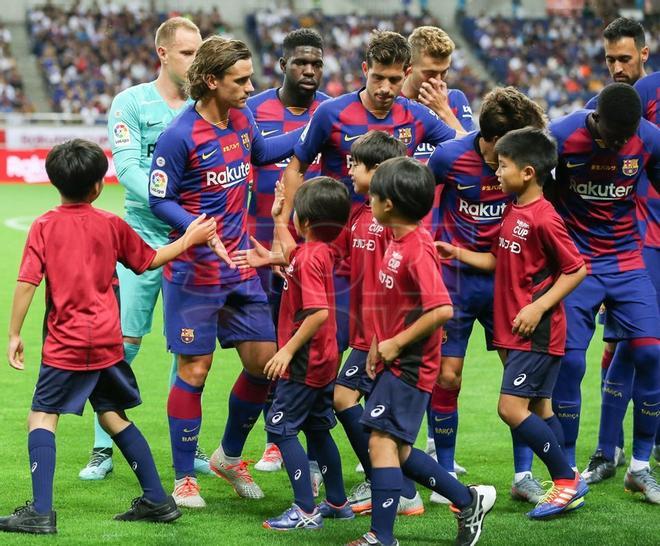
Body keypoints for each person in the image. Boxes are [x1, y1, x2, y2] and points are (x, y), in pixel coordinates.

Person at [1, 139, 217, 534]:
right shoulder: (112, 224)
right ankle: (157, 499)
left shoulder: (44, 226)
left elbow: (27, 282)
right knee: (113, 413)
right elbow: (149, 260)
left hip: (65, 342)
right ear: (100, 185)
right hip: (106, 340)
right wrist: (188, 239)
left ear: (53, 181)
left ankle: (40, 513)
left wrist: (14, 333)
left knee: (42, 415)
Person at [148, 36, 303, 509]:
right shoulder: (179, 135)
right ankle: (182, 478)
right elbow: (159, 198)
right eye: (240, 80)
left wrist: (315, 129)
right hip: (194, 273)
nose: (250, 86)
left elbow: (261, 152)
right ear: (211, 81)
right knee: (195, 369)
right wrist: (194, 228)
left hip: (240, 267)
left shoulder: (242, 118)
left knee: (264, 363)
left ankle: (228, 456)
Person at [79, 17, 211, 481]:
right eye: (187, 53)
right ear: (163, 54)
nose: (196, 62)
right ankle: (102, 447)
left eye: (199, 52)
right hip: (142, 240)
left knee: (189, 351)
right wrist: (174, 211)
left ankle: (187, 446)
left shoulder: (206, 104)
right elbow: (130, 168)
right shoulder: (131, 102)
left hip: (194, 244)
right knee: (123, 346)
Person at [437, 127, 589, 519]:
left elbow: (576, 270)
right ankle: (570, 479)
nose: (496, 172)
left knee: (510, 408)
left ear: (527, 172)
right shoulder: (513, 209)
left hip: (534, 331)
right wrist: (455, 251)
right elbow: (497, 262)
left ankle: (565, 483)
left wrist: (538, 308)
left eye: (502, 166)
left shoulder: (544, 217)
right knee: (540, 407)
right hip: (516, 327)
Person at [278, 30, 458, 360]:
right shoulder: (331, 113)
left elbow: (466, 149)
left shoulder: (416, 116)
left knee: (383, 354)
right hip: (338, 253)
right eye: (377, 77)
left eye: (393, 79)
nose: (385, 88)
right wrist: (285, 231)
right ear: (364, 69)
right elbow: (296, 168)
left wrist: (445, 111)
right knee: (326, 351)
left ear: (406, 74)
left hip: (393, 258)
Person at [347, 157, 496, 546]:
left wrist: (396, 343)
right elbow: (390, 300)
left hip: (412, 364)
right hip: (392, 358)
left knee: (380, 442)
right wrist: (378, 343)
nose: (370, 200)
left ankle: (382, 536)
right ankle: (468, 500)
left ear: (388, 203)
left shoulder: (416, 248)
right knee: (397, 448)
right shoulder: (394, 240)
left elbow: (442, 308)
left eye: (375, 194)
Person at [427, 87, 547, 504]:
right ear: (491, 139)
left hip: (508, 283)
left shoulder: (524, 164)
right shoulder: (448, 157)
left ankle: (524, 474)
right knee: (447, 377)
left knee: (519, 378)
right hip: (455, 283)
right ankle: (443, 472)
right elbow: (422, 202)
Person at [549, 83, 660, 504]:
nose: (616, 145)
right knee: (571, 363)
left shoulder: (647, 137)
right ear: (595, 119)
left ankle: (640, 468)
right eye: (611, 137)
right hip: (578, 263)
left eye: (623, 138)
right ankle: (567, 474)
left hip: (627, 258)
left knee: (651, 353)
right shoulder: (561, 135)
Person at [233, 177, 352, 530]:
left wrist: (286, 350)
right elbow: (293, 254)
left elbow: (318, 313)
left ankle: (305, 509)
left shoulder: (308, 258)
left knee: (282, 428)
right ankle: (337, 501)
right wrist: (280, 222)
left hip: (305, 360)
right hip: (325, 357)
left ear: (307, 221)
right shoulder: (320, 251)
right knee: (317, 429)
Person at [246, 28, 329, 474]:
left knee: (314, 342)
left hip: (316, 251)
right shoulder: (255, 110)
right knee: (272, 345)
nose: (309, 70)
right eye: (300, 62)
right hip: (263, 245)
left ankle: (311, 442)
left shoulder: (332, 112)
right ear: (282, 64)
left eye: (316, 63)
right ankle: (275, 438)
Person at [332, 131, 425, 516]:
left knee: (343, 397)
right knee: (379, 423)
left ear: (379, 170)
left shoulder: (394, 223)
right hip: (363, 330)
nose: (350, 170)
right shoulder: (358, 214)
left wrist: (388, 336)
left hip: (382, 336)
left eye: (357, 164)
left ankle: (389, 485)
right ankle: (401, 489)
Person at [583, 17, 650, 478]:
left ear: (645, 53)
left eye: (624, 58)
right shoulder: (599, 109)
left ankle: (627, 450)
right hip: (631, 244)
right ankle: (610, 449)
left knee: (638, 346)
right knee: (629, 343)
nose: (617, 67)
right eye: (610, 59)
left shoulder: (656, 94)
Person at [633, 71, 660, 463]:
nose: (617, 66)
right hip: (646, 236)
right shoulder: (644, 90)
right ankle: (612, 449)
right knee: (638, 347)